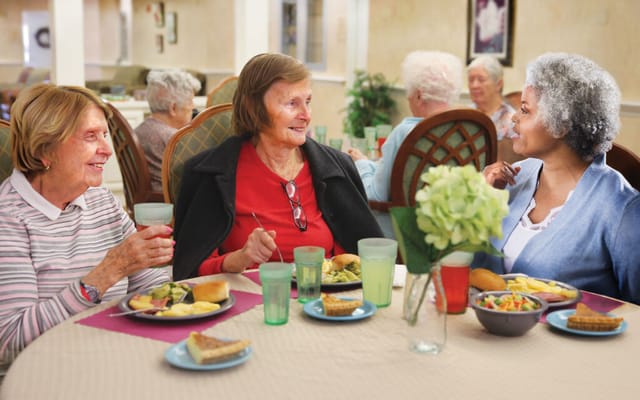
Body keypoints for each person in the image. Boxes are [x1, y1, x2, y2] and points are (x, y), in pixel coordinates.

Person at [0, 84, 173, 375]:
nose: (107, 150)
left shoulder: (101, 201)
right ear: (45, 149)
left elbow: (146, 283)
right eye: (91, 136)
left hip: (116, 357)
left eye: (105, 135)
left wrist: (182, 301)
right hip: (48, 375)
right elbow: (9, 341)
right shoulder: (8, 218)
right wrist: (105, 274)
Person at [172, 53, 383, 280]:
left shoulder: (336, 168)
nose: (306, 115)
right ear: (254, 109)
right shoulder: (210, 174)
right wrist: (239, 258)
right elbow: (190, 272)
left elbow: (365, 256)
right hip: (253, 302)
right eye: (292, 103)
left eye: (308, 102)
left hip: (327, 300)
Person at [476, 53, 640, 304]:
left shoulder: (621, 210)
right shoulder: (513, 178)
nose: (514, 118)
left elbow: (635, 308)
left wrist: (573, 302)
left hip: (570, 341)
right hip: (489, 332)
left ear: (561, 125)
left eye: (524, 110)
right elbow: (469, 269)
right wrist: (482, 199)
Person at [347, 50, 464, 202]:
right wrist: (368, 163)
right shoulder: (463, 129)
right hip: (448, 221)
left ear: (419, 95)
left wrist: (360, 165)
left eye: (409, 91)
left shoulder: (406, 132)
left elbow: (376, 196)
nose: (408, 98)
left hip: (402, 223)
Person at [134, 69, 201, 192]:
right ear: (173, 108)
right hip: (170, 206)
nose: (193, 107)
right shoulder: (174, 139)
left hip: (146, 204)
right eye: (190, 101)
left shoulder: (139, 131)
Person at [467, 55, 523, 163]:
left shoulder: (511, 120)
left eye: (481, 79)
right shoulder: (466, 113)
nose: (474, 85)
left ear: (498, 84)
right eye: (471, 80)